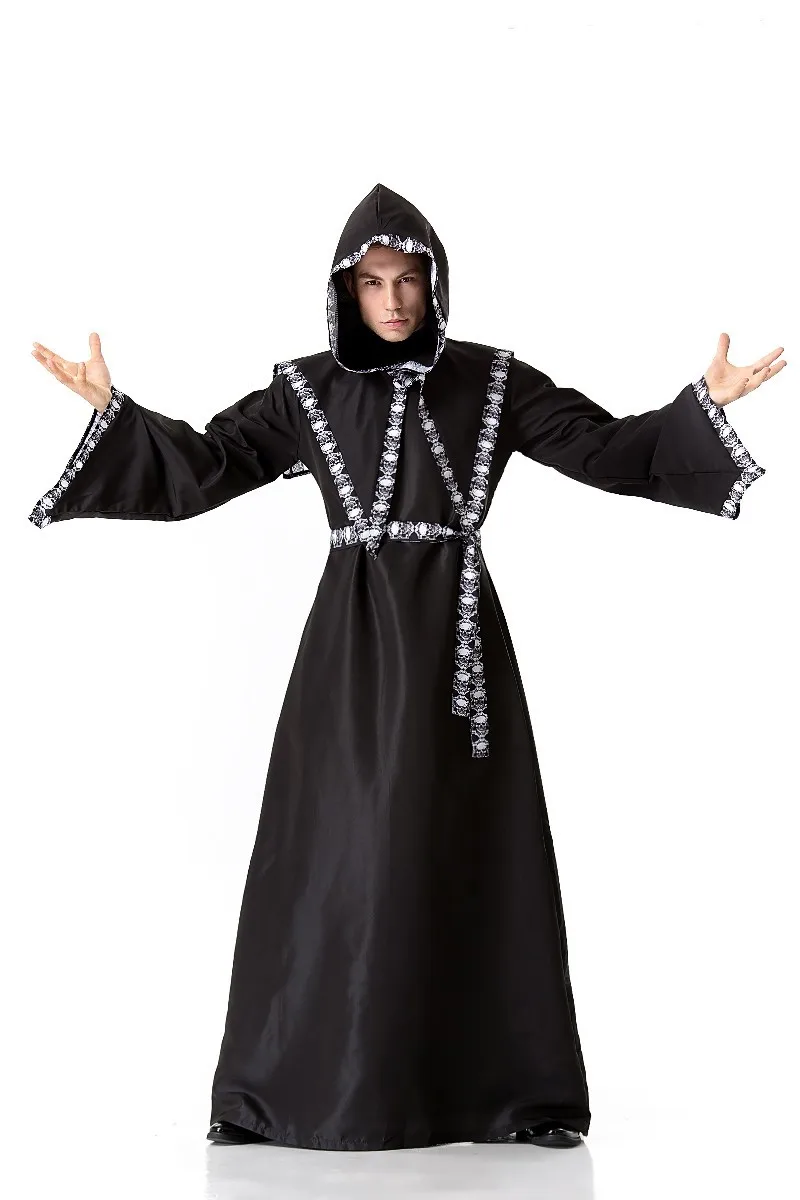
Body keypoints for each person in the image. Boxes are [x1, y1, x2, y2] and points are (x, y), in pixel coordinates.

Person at [29, 183, 784, 1153]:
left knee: (471, 848)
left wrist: (702, 405)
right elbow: (211, 463)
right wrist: (115, 411)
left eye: (407, 280)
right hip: (348, 650)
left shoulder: (495, 381)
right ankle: (275, 1094)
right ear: (344, 292)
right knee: (332, 850)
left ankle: (513, 1096)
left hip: (460, 652)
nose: (391, 300)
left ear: (435, 284)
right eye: (372, 283)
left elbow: (601, 448)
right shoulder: (305, 390)